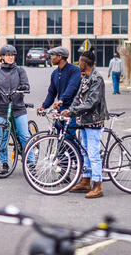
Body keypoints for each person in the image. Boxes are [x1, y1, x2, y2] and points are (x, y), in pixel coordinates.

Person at [63, 47, 109, 198]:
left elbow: (91, 102)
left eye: (80, 62)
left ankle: (98, 185)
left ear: (85, 63)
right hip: (83, 121)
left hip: (93, 121)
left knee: (94, 154)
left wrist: (73, 112)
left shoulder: (97, 79)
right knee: (85, 152)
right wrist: (69, 110)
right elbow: (78, 98)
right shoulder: (85, 78)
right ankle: (85, 182)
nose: (78, 64)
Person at [0, 44, 31, 174]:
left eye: (12, 55)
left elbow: (26, 84)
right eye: (7, 55)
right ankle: (4, 163)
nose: (10, 57)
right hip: (1, 108)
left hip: (18, 107)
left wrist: (23, 87)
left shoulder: (20, 70)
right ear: (2, 57)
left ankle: (31, 162)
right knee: (3, 136)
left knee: (24, 135)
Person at [38, 46, 81, 141]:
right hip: (60, 108)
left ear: (60, 57)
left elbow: (72, 87)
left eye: (53, 55)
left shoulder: (74, 70)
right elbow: (51, 92)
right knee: (59, 136)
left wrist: (62, 99)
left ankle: (77, 155)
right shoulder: (55, 73)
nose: (51, 58)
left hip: (72, 108)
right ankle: (61, 156)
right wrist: (44, 107)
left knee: (69, 137)